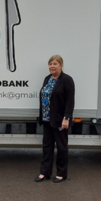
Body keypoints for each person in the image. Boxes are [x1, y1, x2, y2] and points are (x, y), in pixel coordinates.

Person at [36, 55, 75, 183]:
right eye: (50, 64)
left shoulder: (67, 80)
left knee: (61, 147)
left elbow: (70, 101)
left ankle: (61, 174)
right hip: (47, 119)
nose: (52, 66)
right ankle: (45, 172)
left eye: (55, 64)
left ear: (61, 65)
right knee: (47, 146)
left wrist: (66, 118)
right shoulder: (47, 78)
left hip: (59, 120)